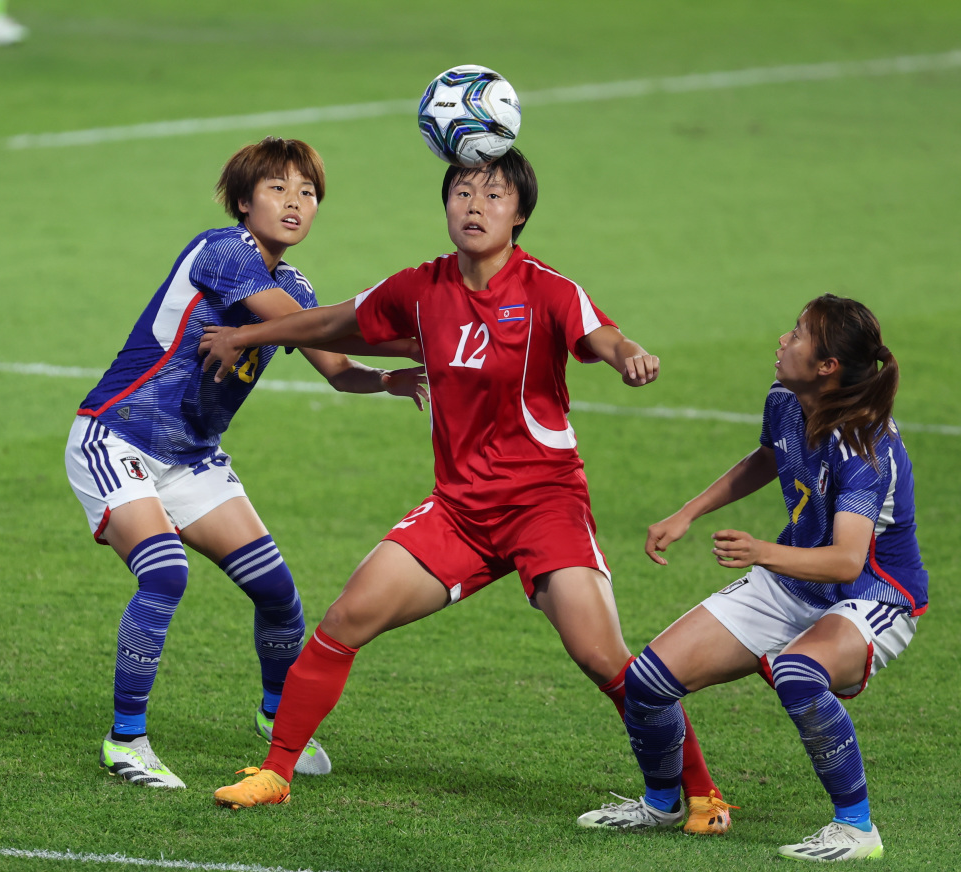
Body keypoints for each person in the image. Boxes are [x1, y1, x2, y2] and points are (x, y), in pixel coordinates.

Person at [201, 147, 733, 833]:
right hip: (458, 511)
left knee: (603, 657)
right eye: (462, 192)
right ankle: (275, 773)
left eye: (493, 195)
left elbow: (600, 334)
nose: (475, 206)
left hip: (545, 506)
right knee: (345, 620)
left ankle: (702, 793)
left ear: (520, 214)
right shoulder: (421, 288)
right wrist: (249, 333)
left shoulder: (547, 289)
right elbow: (333, 322)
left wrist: (627, 352)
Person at [65, 137, 427, 789]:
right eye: (277, 188)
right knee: (165, 573)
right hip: (116, 438)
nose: (295, 202)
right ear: (241, 200)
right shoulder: (222, 251)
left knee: (278, 595)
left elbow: (337, 369)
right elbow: (316, 327)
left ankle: (275, 720)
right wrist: (425, 333)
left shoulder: (292, 285)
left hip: (193, 461)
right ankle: (125, 742)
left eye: (308, 192)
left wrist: (390, 380)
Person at [578, 294, 927, 860]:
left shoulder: (864, 447)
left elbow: (846, 561)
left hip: (873, 594)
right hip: (794, 577)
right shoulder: (788, 399)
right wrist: (688, 512)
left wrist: (762, 551)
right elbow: (770, 456)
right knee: (646, 682)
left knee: (797, 673)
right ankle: (663, 802)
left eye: (797, 335)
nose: (782, 341)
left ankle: (857, 829)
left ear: (827, 367)